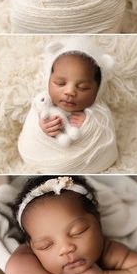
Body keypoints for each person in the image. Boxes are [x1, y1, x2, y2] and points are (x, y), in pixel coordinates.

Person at [5, 176, 137, 274]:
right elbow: (14, 270)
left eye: (78, 231)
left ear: (98, 221)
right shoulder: (33, 256)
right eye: (46, 245)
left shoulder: (108, 252)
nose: (66, 248)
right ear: (32, 246)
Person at [17, 37, 118, 173]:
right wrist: (42, 128)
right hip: (41, 160)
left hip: (90, 165)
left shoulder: (100, 113)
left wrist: (90, 123)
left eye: (83, 87)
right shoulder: (41, 104)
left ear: (98, 90)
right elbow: (31, 133)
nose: (70, 92)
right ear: (48, 79)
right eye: (60, 83)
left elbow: (105, 137)